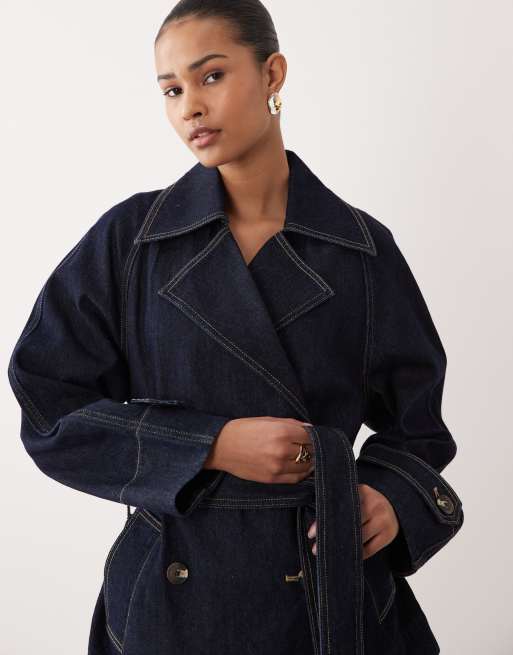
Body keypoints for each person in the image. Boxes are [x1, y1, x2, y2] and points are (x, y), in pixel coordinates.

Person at [7, 1, 464, 654]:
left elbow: (418, 428)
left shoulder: (361, 250)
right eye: (172, 90)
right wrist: (210, 445)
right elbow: (48, 404)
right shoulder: (132, 241)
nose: (190, 106)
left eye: (212, 76)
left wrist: (391, 497)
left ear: (272, 74)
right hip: (174, 599)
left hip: (322, 590)